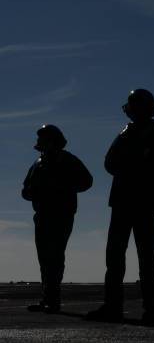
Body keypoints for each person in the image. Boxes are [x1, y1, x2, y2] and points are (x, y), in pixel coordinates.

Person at [86, 89, 154, 324]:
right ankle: (114, 305)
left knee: (145, 254)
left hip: (143, 200)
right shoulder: (127, 132)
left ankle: (151, 308)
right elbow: (110, 162)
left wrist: (140, 163)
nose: (130, 110)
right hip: (123, 200)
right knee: (116, 255)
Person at [22, 124, 93, 313]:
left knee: (54, 257)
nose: (38, 142)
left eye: (42, 139)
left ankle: (52, 299)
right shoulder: (38, 163)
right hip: (42, 215)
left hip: (61, 215)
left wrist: (62, 189)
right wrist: (34, 192)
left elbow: (87, 181)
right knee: (44, 258)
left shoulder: (68, 160)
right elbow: (26, 189)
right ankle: (48, 298)